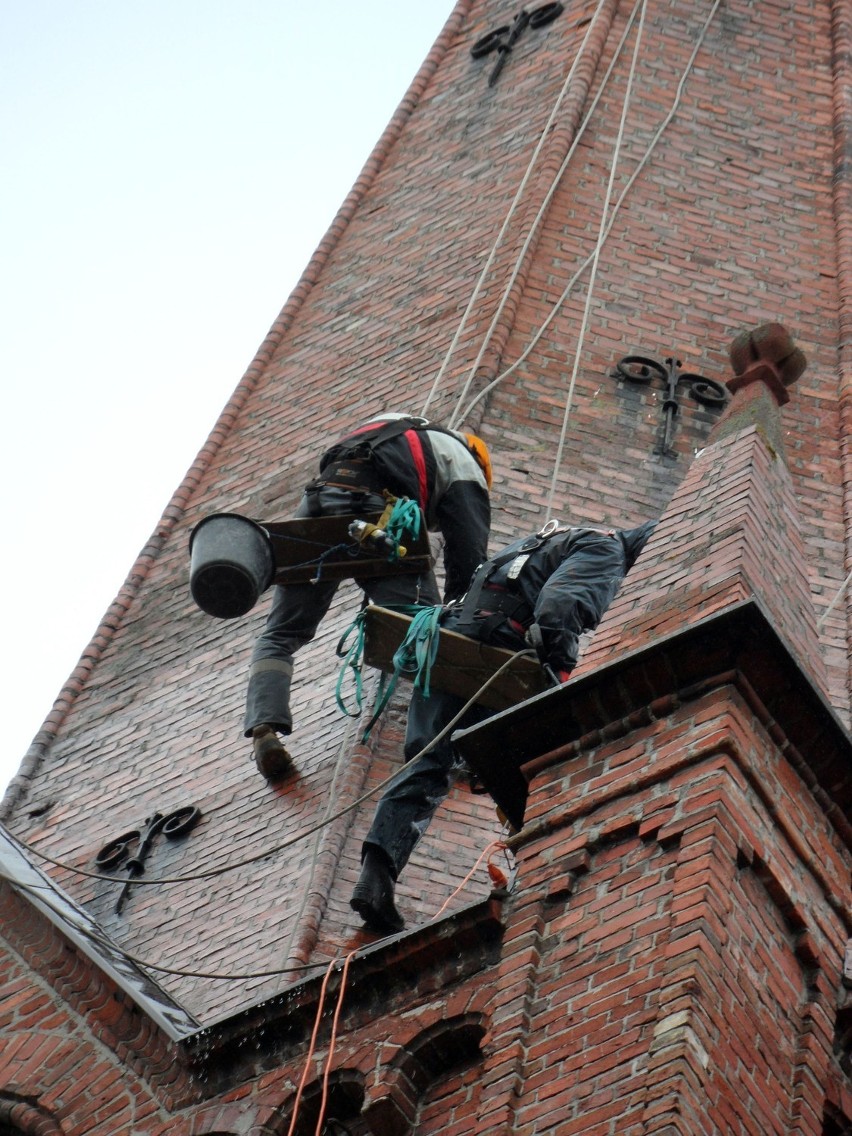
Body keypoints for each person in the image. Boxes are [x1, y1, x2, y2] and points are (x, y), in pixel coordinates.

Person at [350, 516, 657, 933]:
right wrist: (561, 675)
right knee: (538, 777)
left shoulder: (552, 538)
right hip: (497, 661)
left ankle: (376, 879)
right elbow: (559, 609)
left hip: (449, 646)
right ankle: (539, 893)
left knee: (428, 764)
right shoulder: (608, 551)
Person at [245, 413, 492, 779]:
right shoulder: (464, 463)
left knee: (280, 633)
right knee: (423, 628)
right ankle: (447, 742)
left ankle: (264, 725)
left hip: (316, 505)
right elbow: (469, 558)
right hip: (375, 513)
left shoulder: (388, 430)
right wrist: (463, 617)